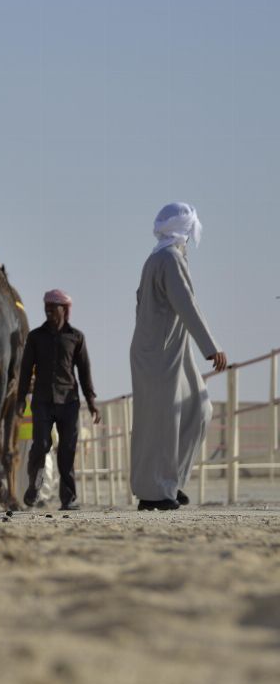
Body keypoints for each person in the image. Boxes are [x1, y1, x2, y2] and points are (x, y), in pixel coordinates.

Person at [130, 203, 226, 511]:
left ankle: (170, 482)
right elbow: (187, 304)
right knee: (161, 422)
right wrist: (211, 346)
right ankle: (154, 493)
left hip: (170, 351)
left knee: (199, 408)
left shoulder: (159, 257)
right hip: (158, 354)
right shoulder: (168, 259)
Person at [16, 289, 100, 511]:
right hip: (42, 401)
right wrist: (20, 400)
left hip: (69, 402)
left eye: (53, 309)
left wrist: (91, 401)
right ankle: (35, 487)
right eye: (46, 309)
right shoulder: (35, 337)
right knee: (41, 446)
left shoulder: (76, 337)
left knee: (67, 450)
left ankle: (68, 498)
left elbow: (84, 372)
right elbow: (25, 371)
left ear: (65, 310)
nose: (49, 312)